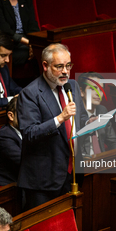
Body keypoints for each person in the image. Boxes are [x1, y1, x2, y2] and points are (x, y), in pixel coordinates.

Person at [17, 43, 88, 210]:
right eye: (59, 66)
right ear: (45, 66)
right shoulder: (30, 93)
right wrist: (60, 118)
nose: (65, 71)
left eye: (68, 65)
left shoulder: (73, 86)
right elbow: (29, 133)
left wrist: (90, 124)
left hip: (73, 172)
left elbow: (81, 118)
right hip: (44, 180)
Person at [78, 72, 116, 157]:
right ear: (81, 92)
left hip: (102, 161)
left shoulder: (102, 110)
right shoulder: (73, 113)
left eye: (101, 89)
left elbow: (113, 142)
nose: (98, 93)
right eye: (93, 89)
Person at [0, 0, 39, 67]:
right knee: (40, 54)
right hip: (8, 44)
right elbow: (3, 28)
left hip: (27, 43)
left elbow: (32, 24)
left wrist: (34, 43)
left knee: (47, 51)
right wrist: (28, 43)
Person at [0, 97, 22, 186]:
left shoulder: (27, 130)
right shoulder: (4, 136)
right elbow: (24, 162)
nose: (30, 118)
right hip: (6, 188)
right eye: (24, 114)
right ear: (11, 116)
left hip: (22, 182)